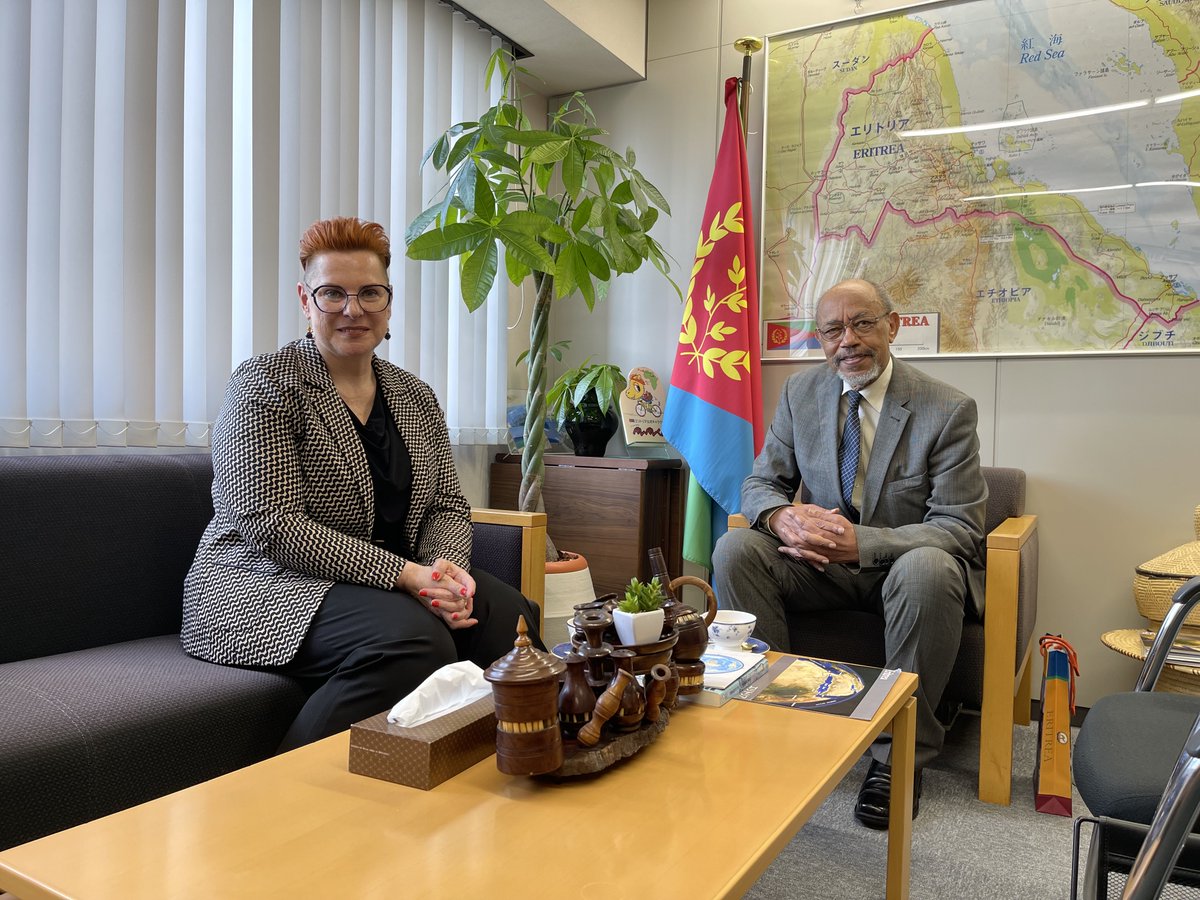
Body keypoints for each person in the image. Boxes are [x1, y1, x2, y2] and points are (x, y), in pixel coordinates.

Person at [182, 216, 543, 752]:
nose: (353, 310)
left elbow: (446, 503)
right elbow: (271, 525)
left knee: (508, 617)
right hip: (263, 582)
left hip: (379, 582)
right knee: (414, 643)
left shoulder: (415, 395)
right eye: (333, 294)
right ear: (306, 300)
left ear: (388, 302)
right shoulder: (263, 385)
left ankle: (497, 764)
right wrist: (406, 574)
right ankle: (287, 798)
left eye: (370, 293)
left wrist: (446, 573)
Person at [712, 278, 987, 829]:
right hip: (821, 573)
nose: (848, 341)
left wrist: (863, 543)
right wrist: (780, 517)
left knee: (930, 567)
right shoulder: (800, 395)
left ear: (893, 325)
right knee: (736, 545)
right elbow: (761, 482)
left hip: (903, 573)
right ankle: (777, 723)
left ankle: (896, 757)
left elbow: (960, 528)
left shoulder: (947, 409)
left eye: (862, 323)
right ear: (820, 339)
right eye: (832, 330)